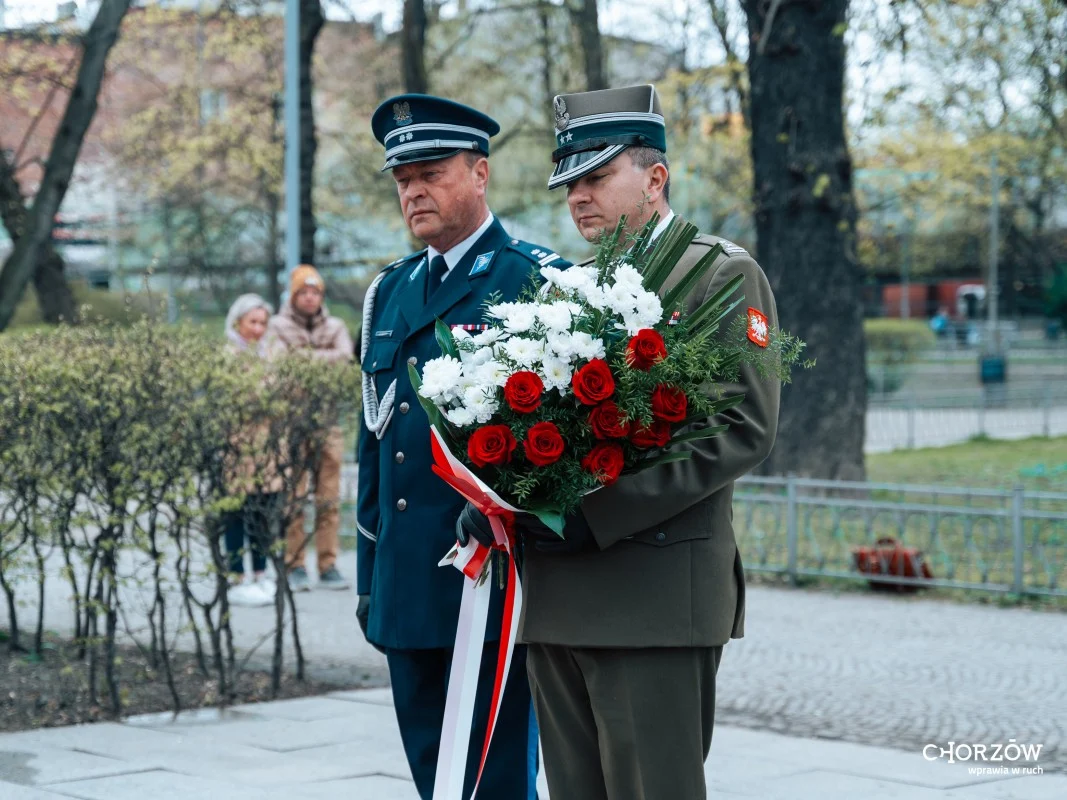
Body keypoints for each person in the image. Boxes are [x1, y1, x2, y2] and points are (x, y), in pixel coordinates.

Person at [466, 84, 782, 799]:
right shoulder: (562, 288)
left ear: (654, 177)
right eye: (568, 183)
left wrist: (597, 513)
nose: (578, 197)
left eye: (596, 177)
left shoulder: (719, 273)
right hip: (556, 592)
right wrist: (497, 496)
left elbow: (741, 430)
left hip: (654, 595)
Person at [357, 93, 569, 800]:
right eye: (401, 178)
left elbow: (565, 454)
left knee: (499, 780)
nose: (413, 190)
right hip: (407, 588)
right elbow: (374, 449)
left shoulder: (538, 281)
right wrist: (368, 581)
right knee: (432, 779)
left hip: (494, 589)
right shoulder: (389, 292)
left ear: (479, 174)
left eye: (431, 172)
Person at [265, 266, 353, 592]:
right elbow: (279, 366)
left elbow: (345, 359)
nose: (310, 297)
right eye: (303, 291)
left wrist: (303, 357)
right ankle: (295, 564)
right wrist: (322, 358)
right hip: (291, 422)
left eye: (315, 292)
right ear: (293, 295)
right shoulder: (276, 326)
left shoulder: (336, 326)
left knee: (328, 497)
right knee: (294, 496)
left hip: (328, 422)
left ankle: (328, 564)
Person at [223, 293, 281, 608]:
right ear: (238, 322)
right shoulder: (228, 352)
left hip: (268, 446)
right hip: (238, 445)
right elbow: (247, 395)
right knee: (235, 510)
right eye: (253, 322)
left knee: (262, 509)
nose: (259, 329)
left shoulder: (271, 352)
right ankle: (236, 576)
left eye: (263, 322)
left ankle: (260, 573)